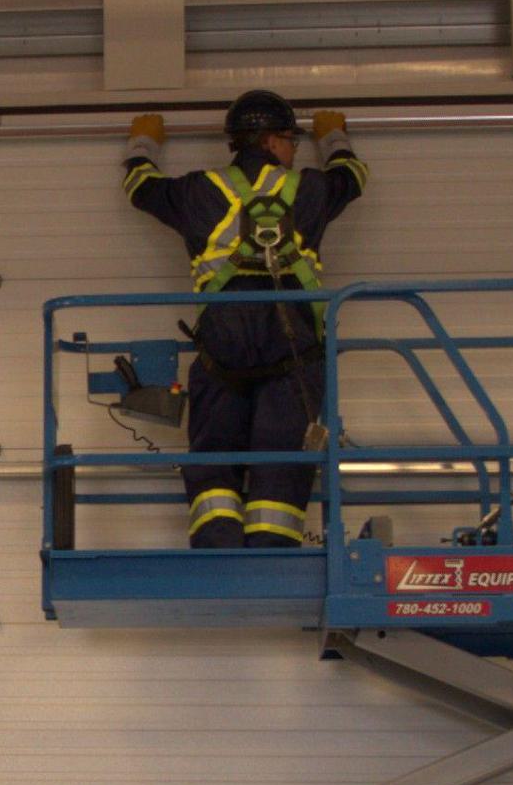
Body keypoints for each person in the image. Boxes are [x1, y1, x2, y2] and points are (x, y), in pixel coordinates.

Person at [125, 89, 371, 549]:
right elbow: (352, 177)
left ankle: (218, 546)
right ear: (276, 141)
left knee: (215, 456)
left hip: (222, 356)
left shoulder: (198, 191)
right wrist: (333, 133)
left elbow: (140, 186)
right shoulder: (309, 190)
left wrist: (144, 141)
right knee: (281, 458)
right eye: (293, 143)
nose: (294, 152)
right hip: (292, 357)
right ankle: (271, 549)